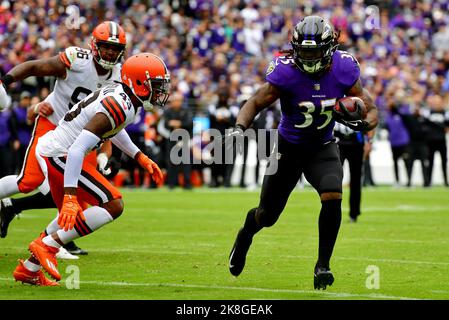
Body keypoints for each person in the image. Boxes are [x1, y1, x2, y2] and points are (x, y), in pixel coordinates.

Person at [226, 16, 378, 290]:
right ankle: (245, 235)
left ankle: (323, 265)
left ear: (330, 48)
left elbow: (372, 108)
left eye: (314, 51)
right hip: (289, 148)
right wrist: (239, 128)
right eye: (304, 51)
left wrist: (364, 123)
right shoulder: (285, 71)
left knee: (333, 193)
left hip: (322, 146)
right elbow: (255, 102)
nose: (309, 57)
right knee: (267, 215)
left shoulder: (343, 68)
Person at [12, 52, 169, 286]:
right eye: (155, 86)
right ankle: (48, 245)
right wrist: (70, 195)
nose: (160, 92)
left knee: (68, 218)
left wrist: (139, 156)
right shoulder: (121, 103)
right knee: (114, 204)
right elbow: (77, 150)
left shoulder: (126, 100)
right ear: (139, 84)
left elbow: (114, 128)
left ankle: (29, 269)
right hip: (60, 154)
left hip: (55, 150)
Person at [0, 21, 126, 257]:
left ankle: (50, 242)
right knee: (29, 181)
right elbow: (36, 67)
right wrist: (5, 81)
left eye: (114, 48)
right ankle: (47, 238)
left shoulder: (119, 77)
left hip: (82, 137)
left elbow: (110, 119)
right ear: (94, 45)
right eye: (105, 46)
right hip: (53, 124)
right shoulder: (77, 60)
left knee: (81, 195)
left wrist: (108, 154)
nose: (110, 52)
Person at [334, 122, 371, 222]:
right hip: (338, 143)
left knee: (356, 180)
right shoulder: (335, 105)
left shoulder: (361, 106)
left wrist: (369, 141)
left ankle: (354, 213)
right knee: (333, 179)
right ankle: (332, 211)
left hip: (356, 145)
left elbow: (370, 121)